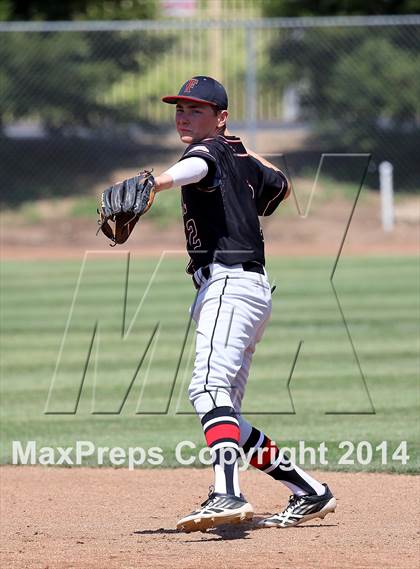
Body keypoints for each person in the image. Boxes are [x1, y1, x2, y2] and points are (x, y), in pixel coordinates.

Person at [151, 76, 336, 532]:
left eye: (196, 110)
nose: (183, 116)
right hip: (248, 291)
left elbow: (194, 167)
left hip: (229, 287)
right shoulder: (236, 154)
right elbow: (283, 186)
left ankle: (226, 494)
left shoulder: (207, 153)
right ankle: (308, 491)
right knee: (226, 412)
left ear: (220, 116)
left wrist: (156, 182)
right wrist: (244, 150)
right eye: (180, 108)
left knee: (205, 388)